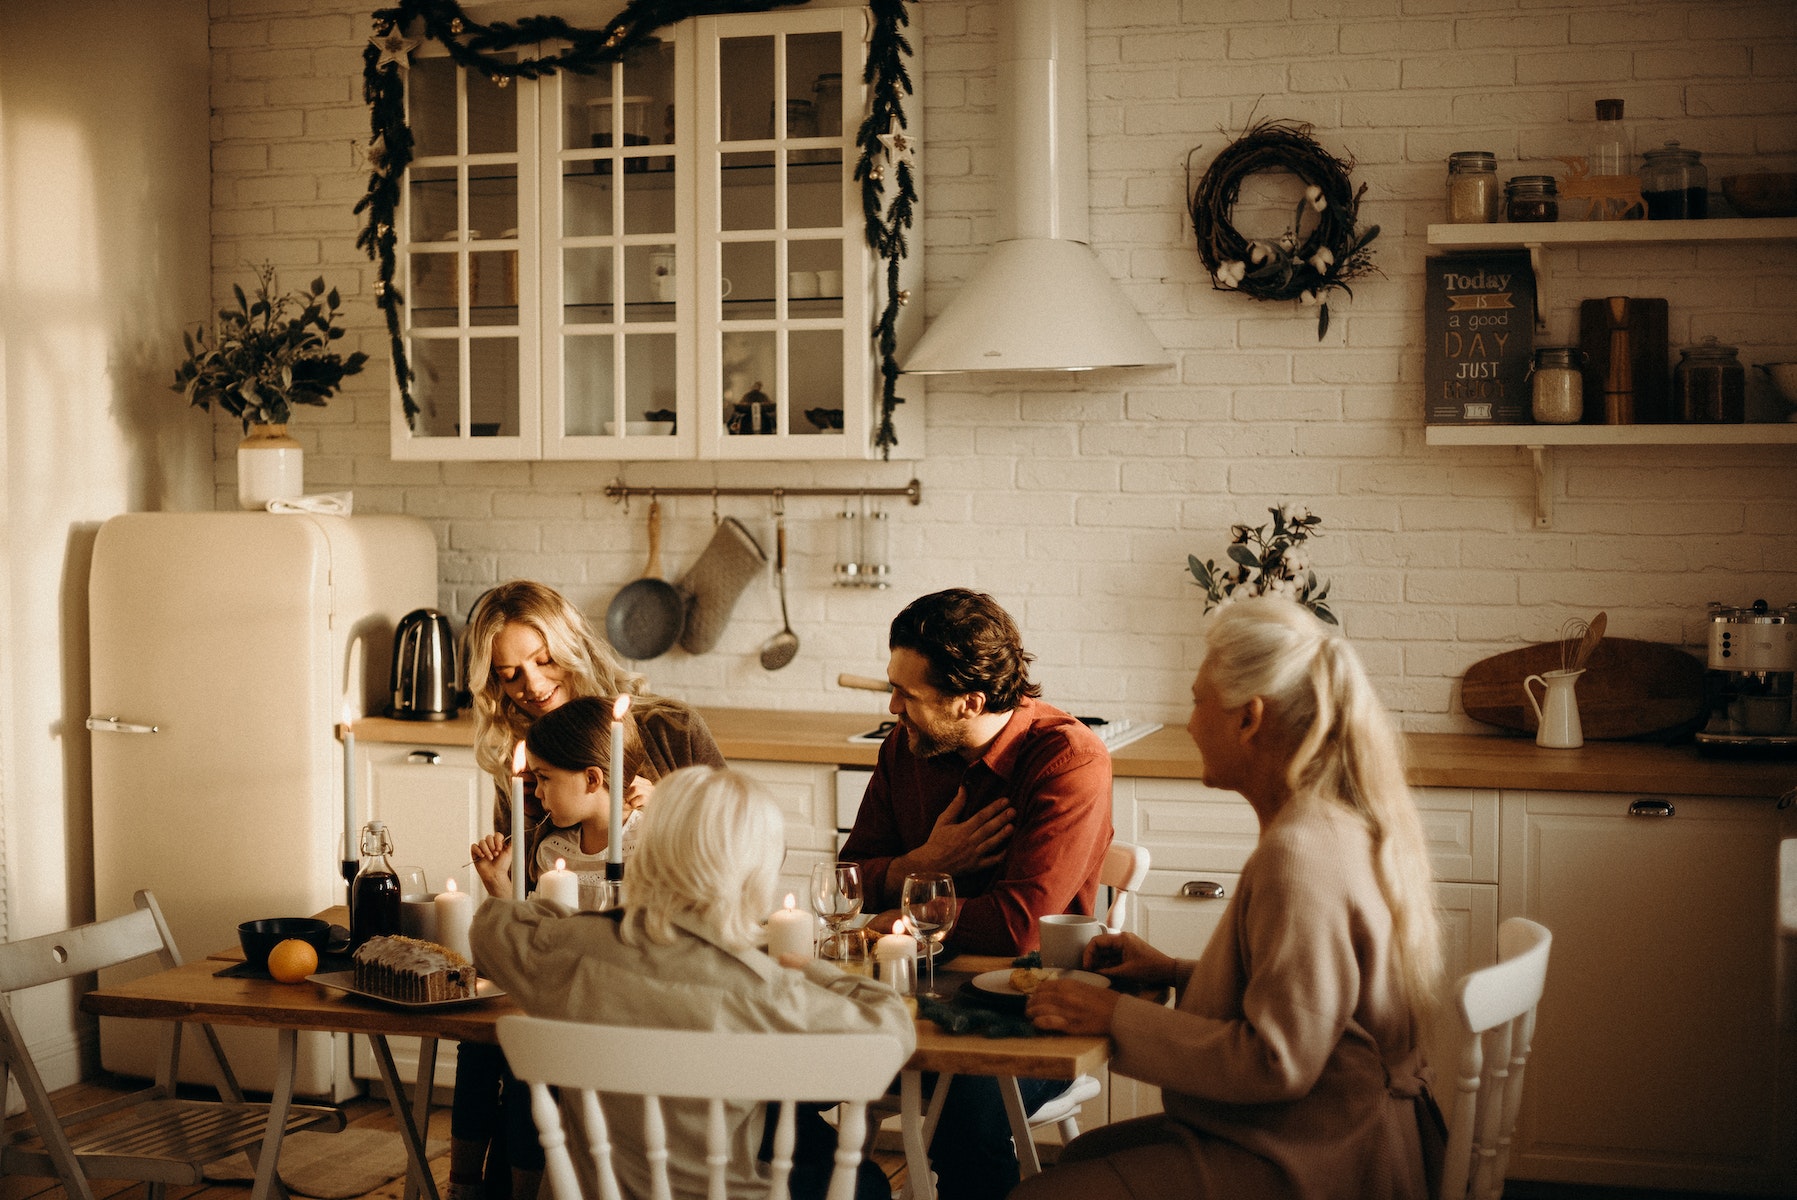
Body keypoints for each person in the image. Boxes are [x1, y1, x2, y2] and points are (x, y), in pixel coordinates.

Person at [1015, 596, 1446, 1200]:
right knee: (1081, 1153)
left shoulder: (1299, 853)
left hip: (1329, 1156)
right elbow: (1313, 1006)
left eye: (1197, 701)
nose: (1189, 723)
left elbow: (1277, 1060)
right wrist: (1170, 971)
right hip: (1333, 1129)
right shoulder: (1331, 823)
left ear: (1249, 718)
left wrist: (1115, 1016)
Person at [471, 766, 916, 1200]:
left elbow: (493, 925)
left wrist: (603, 923)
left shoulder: (569, 951)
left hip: (596, 1191)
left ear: (647, 850)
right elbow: (891, 1028)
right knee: (866, 1183)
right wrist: (800, 965)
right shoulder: (768, 987)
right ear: (755, 871)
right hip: (728, 1192)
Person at [453, 581, 726, 1200]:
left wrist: (676, 810)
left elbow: (738, 852)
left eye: (543, 659)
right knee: (488, 1046)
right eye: (508, 673)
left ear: (572, 647)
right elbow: (532, 901)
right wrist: (503, 890)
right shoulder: (520, 764)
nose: (531, 684)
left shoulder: (666, 729)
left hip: (657, 977)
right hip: (564, 974)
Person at [838, 587, 1113, 1200]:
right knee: (780, 1067)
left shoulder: (1067, 760)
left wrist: (898, 911)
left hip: (1028, 1008)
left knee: (965, 1116)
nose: (892, 705)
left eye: (908, 695)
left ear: (970, 701)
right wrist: (926, 863)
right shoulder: (904, 747)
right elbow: (850, 875)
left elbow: (1020, 926)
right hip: (908, 997)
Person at [521, 696, 659, 903]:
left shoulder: (653, 844)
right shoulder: (553, 850)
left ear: (592, 779)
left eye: (544, 778)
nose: (538, 793)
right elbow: (539, 926)